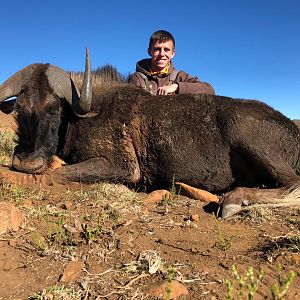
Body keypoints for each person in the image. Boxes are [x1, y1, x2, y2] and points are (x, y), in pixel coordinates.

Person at [128, 30, 215, 95]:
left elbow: (209, 90)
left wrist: (176, 87)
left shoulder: (180, 76)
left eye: (166, 50)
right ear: (149, 51)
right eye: (157, 49)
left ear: (172, 54)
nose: (162, 54)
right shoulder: (137, 79)